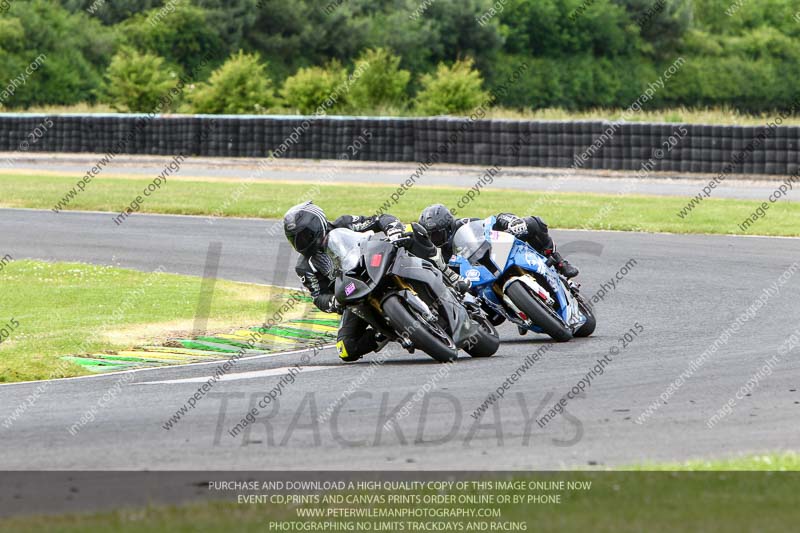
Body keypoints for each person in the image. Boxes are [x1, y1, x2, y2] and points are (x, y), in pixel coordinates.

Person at [283, 201, 467, 363]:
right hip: (356, 294)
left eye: (304, 235)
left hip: (378, 263)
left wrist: (393, 230)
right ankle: (388, 330)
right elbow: (318, 296)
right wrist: (333, 302)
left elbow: (380, 219)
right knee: (345, 349)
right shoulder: (305, 267)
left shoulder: (344, 224)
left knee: (413, 230)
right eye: (295, 240)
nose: (301, 243)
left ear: (318, 225)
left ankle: (448, 275)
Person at [418, 204, 579, 278]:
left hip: (497, 253)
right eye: (431, 237)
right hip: (480, 279)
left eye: (437, 235)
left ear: (447, 227)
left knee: (533, 222)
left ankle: (559, 261)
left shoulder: (464, 223)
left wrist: (511, 223)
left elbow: (492, 222)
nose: (435, 240)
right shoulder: (440, 257)